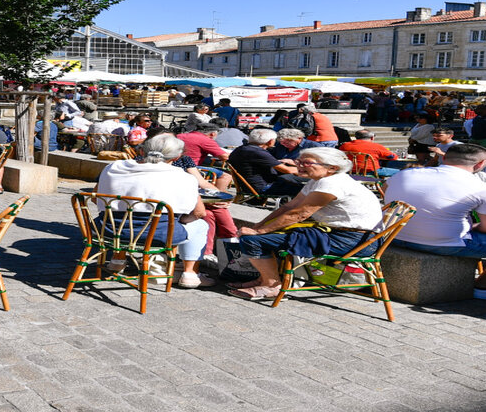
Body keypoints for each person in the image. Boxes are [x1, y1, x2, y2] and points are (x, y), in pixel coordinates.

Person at [387, 143, 486, 300]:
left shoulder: (405, 174)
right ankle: (483, 286)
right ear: (481, 163)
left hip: (393, 236)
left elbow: (387, 191)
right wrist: (472, 226)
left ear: (445, 157)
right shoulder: (484, 188)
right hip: (442, 243)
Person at [226, 148, 385, 300]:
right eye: (299, 161)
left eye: (306, 163)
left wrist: (259, 232)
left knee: (252, 241)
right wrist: (258, 227)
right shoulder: (319, 180)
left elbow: (300, 213)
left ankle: (271, 285)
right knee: (259, 235)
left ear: (331, 168)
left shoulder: (331, 183)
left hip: (353, 240)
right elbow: (289, 207)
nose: (299, 166)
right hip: (347, 235)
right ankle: (264, 279)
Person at [94, 134, 220, 289]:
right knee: (200, 225)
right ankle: (190, 274)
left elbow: (94, 197)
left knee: (125, 217)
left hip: (106, 230)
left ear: (142, 151)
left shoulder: (113, 167)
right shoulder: (184, 177)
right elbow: (199, 213)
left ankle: (117, 261)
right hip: (156, 235)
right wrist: (181, 221)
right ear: (177, 157)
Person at [228, 128, 307, 198]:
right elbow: (287, 170)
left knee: (289, 179)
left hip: (247, 186)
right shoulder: (258, 152)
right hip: (263, 187)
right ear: (270, 141)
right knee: (308, 189)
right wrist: (306, 169)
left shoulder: (241, 149)